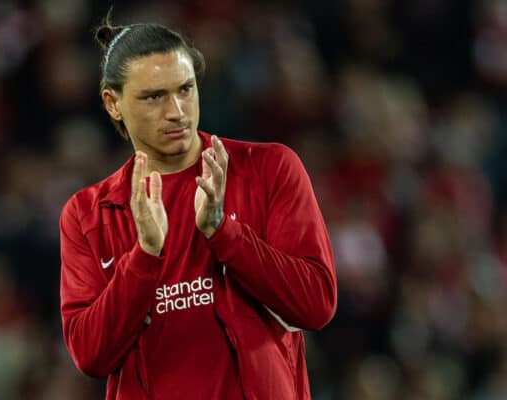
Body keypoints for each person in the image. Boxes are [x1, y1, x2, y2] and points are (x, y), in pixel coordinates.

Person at [59, 12, 337, 400]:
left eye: (185, 89)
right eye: (153, 96)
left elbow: (316, 304)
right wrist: (144, 257)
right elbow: (90, 356)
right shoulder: (89, 214)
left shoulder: (269, 169)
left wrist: (225, 233)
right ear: (112, 103)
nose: (177, 111)